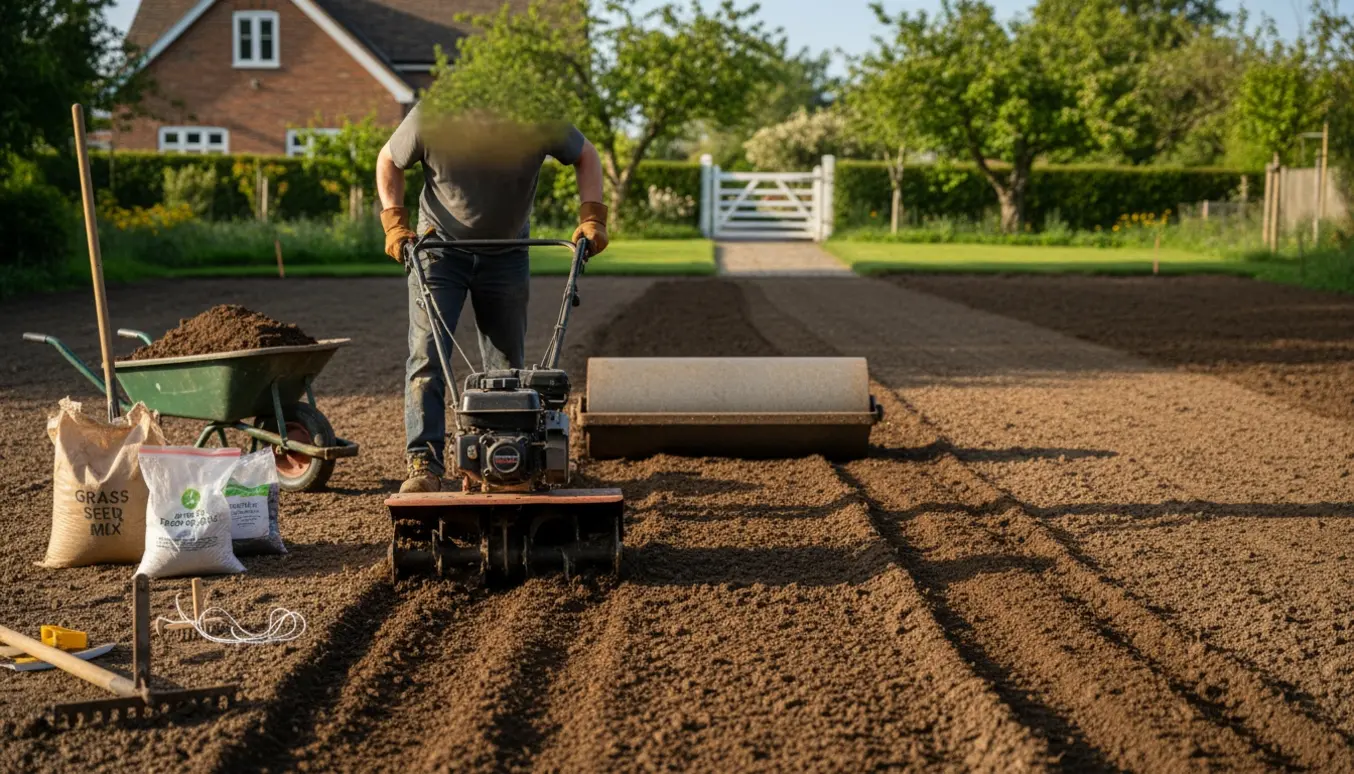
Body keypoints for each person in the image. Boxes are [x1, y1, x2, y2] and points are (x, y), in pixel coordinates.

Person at [376, 104, 608, 493]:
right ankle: (424, 463)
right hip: (438, 250)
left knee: (507, 368)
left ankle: (500, 465)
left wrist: (593, 217)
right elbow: (388, 159)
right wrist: (395, 223)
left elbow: (586, 155)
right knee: (427, 356)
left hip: (507, 253)